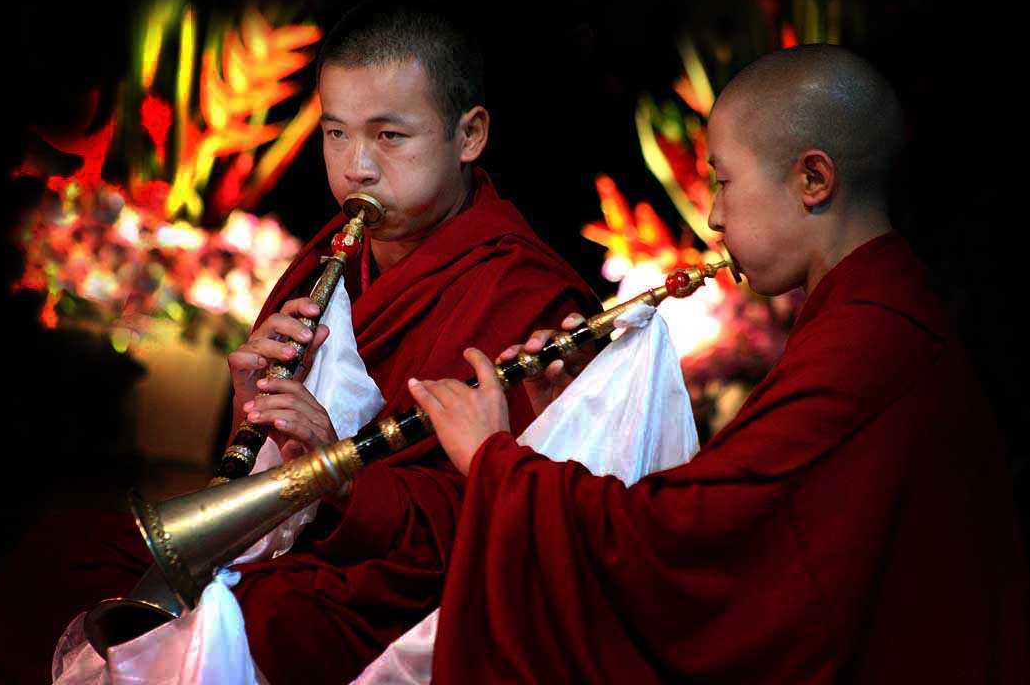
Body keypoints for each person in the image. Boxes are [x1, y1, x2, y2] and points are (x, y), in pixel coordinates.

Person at [0, 0, 596, 685]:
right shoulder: (329, 258)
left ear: (468, 135)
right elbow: (256, 473)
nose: (356, 167)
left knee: (261, 620)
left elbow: (515, 513)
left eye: (389, 137)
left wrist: (339, 473)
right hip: (292, 544)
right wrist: (252, 410)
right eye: (335, 134)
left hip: (405, 583)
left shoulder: (528, 295)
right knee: (60, 556)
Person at [407, 44, 1029, 683]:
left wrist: (495, 461)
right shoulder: (868, 314)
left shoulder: (871, 345)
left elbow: (682, 551)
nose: (713, 216)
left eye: (724, 182)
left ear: (813, 180)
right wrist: (572, 412)